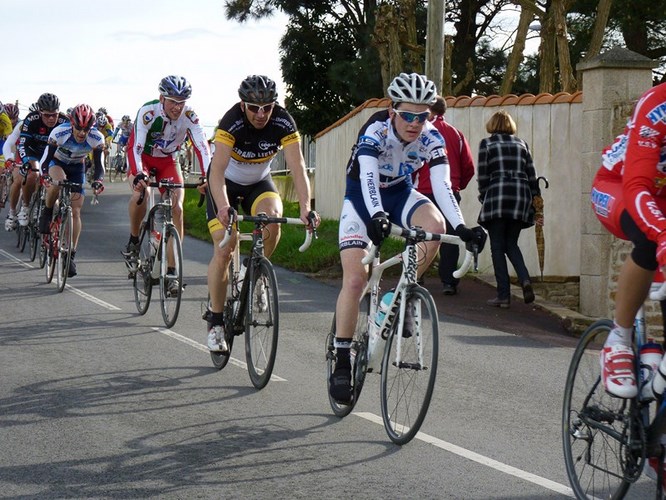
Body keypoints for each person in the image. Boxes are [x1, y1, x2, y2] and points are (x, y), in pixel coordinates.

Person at [328, 73, 485, 403]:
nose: (414, 123)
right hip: (362, 198)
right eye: (407, 115)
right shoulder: (376, 129)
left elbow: (443, 185)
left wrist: (461, 227)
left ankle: (397, 296)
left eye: (422, 116)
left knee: (435, 226)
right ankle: (342, 360)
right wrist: (376, 215)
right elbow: (367, 177)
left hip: (400, 194)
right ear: (392, 111)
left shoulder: (432, 137)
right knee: (355, 280)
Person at [205, 74, 319, 353]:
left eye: (267, 108)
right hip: (225, 184)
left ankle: (254, 273)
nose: (261, 114)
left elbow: (298, 166)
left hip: (258, 182)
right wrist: (223, 206)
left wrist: (306, 208)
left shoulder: (283, 121)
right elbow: (216, 171)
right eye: (254, 108)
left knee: (273, 221)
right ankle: (216, 322)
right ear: (243, 105)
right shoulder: (231, 121)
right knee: (225, 247)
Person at [121, 75, 210, 295]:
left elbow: (202, 146)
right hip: (144, 158)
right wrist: (138, 173)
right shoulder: (148, 112)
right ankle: (133, 240)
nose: (177, 107)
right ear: (162, 98)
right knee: (140, 194)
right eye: (172, 101)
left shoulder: (189, 116)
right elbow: (136, 147)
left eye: (181, 102)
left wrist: (207, 175)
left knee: (177, 208)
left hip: (169, 161)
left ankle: (172, 272)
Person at [476, 110, 540, 309]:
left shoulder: (487, 144)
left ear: (492, 125)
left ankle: (503, 295)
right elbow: (532, 175)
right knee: (511, 243)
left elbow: (483, 175)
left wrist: (484, 196)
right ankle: (524, 279)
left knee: (497, 246)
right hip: (521, 197)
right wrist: (535, 200)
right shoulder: (522, 144)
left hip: (498, 195)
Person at [413, 95, 475, 295]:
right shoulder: (456, 134)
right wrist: (458, 185)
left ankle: (416, 275)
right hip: (450, 191)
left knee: (419, 235)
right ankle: (449, 281)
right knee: (450, 236)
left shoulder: (421, 131)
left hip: (423, 191)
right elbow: (468, 166)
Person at [38, 104, 105, 277]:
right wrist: (44, 175)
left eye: (86, 129)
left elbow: (99, 165)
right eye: (79, 128)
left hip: (77, 168)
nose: (82, 133)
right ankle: (47, 212)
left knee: (76, 211)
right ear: (72, 124)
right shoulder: (59, 132)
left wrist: (98, 181)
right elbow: (45, 159)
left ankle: (71, 254)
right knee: (58, 182)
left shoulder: (97, 138)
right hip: (57, 163)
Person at [6, 93, 68, 231]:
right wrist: (26, 161)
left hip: (52, 154)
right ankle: (26, 207)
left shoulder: (65, 121)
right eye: (47, 115)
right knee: (32, 174)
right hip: (33, 151)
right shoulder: (31, 119)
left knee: (57, 180)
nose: (51, 118)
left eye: (54, 114)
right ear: (40, 112)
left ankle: (47, 206)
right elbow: (22, 144)